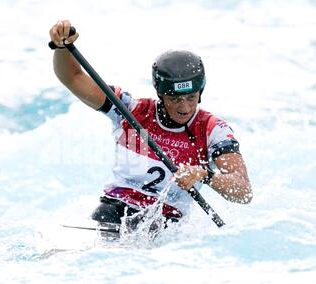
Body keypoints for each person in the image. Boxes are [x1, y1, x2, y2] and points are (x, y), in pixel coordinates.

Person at [49, 20, 252, 230]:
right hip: (114, 210)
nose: (184, 107)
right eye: (174, 99)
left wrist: (205, 175)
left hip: (164, 222)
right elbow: (73, 78)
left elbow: (243, 192)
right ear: (160, 94)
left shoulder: (213, 131)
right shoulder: (131, 111)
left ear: (201, 92)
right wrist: (62, 48)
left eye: (191, 97)